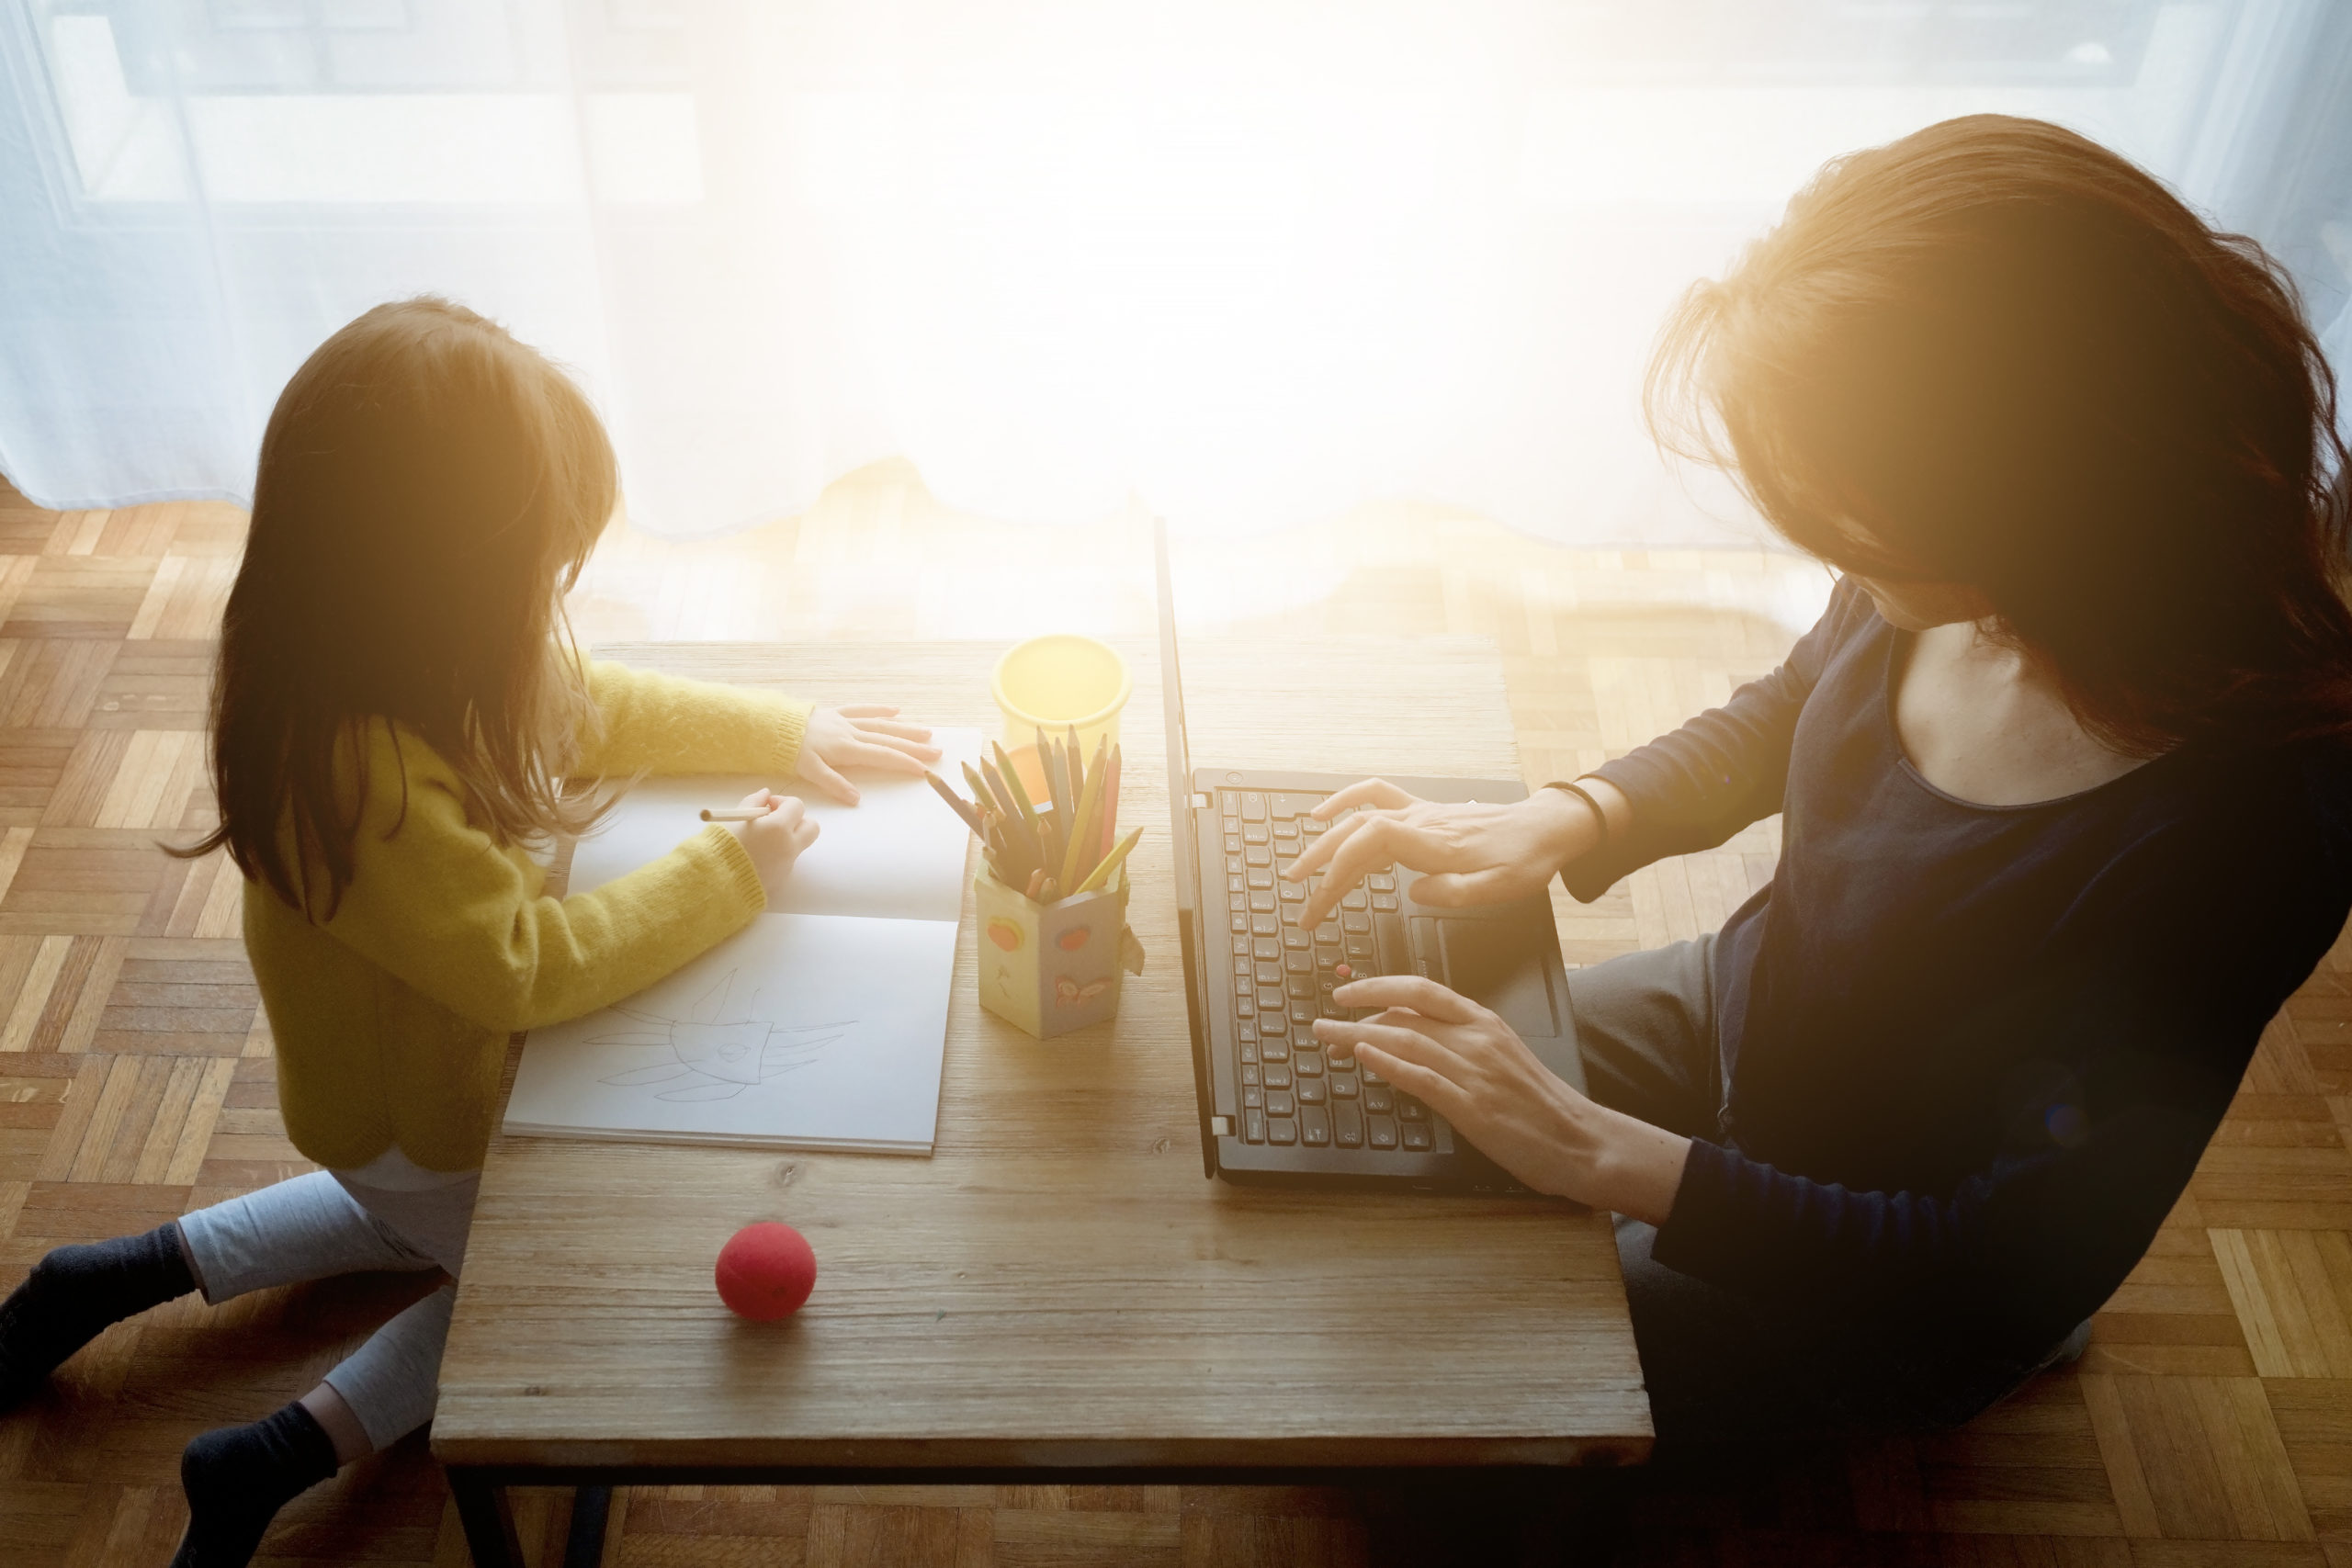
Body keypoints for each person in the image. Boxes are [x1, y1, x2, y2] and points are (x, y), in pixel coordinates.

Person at [1290, 115, 2352, 1445]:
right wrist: (1571, 816)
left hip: (1891, 1264)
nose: (1839, 552)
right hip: (1741, 1018)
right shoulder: (1954, 564)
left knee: (1428, 1390)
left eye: (1859, 523)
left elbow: (1997, 1258)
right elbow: (1797, 704)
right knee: (1345, 1118)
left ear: (2043, 494)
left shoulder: (2255, 825)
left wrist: (1600, 1158)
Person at [0, 299, 942, 1565]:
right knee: (528, 1285)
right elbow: (525, 971)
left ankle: (106, 1278)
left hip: (396, 1120)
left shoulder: (379, 654)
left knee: (399, 1219)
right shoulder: (368, 780)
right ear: (439, 582)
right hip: (429, 1116)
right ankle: (274, 1455)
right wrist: (731, 866)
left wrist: (785, 730)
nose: (548, 598)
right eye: (534, 572)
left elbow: (581, 701)